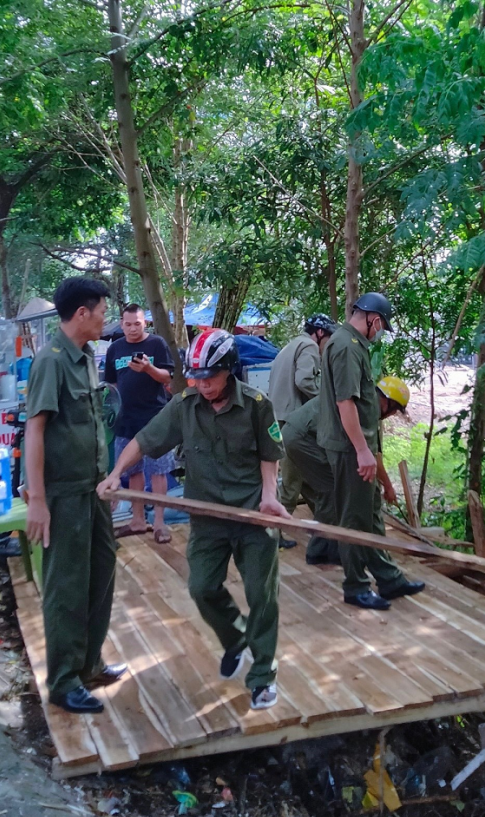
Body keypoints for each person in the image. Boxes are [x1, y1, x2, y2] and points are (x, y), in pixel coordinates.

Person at [98, 328, 288, 711]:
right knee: (201, 587)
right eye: (196, 378)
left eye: (210, 378)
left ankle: (263, 675)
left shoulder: (256, 404)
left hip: (252, 514)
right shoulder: (184, 405)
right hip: (207, 516)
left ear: (229, 370)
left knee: (261, 595)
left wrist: (269, 497)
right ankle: (235, 638)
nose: (202, 385)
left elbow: (271, 453)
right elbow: (144, 440)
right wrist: (116, 472)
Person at [24, 276, 127, 715]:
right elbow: (36, 430)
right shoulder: (50, 361)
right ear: (82, 314)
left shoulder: (87, 358)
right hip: (63, 495)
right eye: (102, 310)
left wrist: (107, 480)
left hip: (93, 490)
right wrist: (38, 500)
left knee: (101, 573)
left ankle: (89, 663)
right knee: (66, 585)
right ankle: (64, 681)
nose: (107, 317)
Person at [317, 292, 426, 610]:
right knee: (353, 519)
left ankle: (388, 578)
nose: (379, 333)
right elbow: (345, 403)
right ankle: (356, 586)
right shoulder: (346, 347)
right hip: (350, 448)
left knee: (370, 515)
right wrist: (363, 451)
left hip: (354, 446)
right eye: (380, 327)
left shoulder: (350, 345)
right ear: (374, 320)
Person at [282, 377, 411, 567]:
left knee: (334, 490)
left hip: (297, 432)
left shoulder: (365, 399)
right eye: (394, 410)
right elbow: (373, 457)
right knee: (334, 490)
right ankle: (321, 550)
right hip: (302, 438)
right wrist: (388, 487)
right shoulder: (368, 408)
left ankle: (326, 549)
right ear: (387, 401)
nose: (392, 415)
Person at [103, 304, 175, 542]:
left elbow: (167, 377)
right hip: (125, 418)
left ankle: (159, 523)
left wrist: (148, 368)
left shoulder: (156, 344)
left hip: (154, 416)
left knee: (159, 470)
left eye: (137, 323)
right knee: (132, 471)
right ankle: (137, 520)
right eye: (128, 324)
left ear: (145, 323)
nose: (133, 328)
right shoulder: (115, 348)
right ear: (121, 324)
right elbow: (111, 383)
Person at [268, 314, 337, 548]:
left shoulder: (291, 345)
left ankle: (329, 526)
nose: (328, 343)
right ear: (319, 333)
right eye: (328, 337)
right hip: (293, 423)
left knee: (309, 479)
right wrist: (327, 401)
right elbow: (305, 380)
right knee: (290, 482)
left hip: (279, 419)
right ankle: (273, 535)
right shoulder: (308, 346)